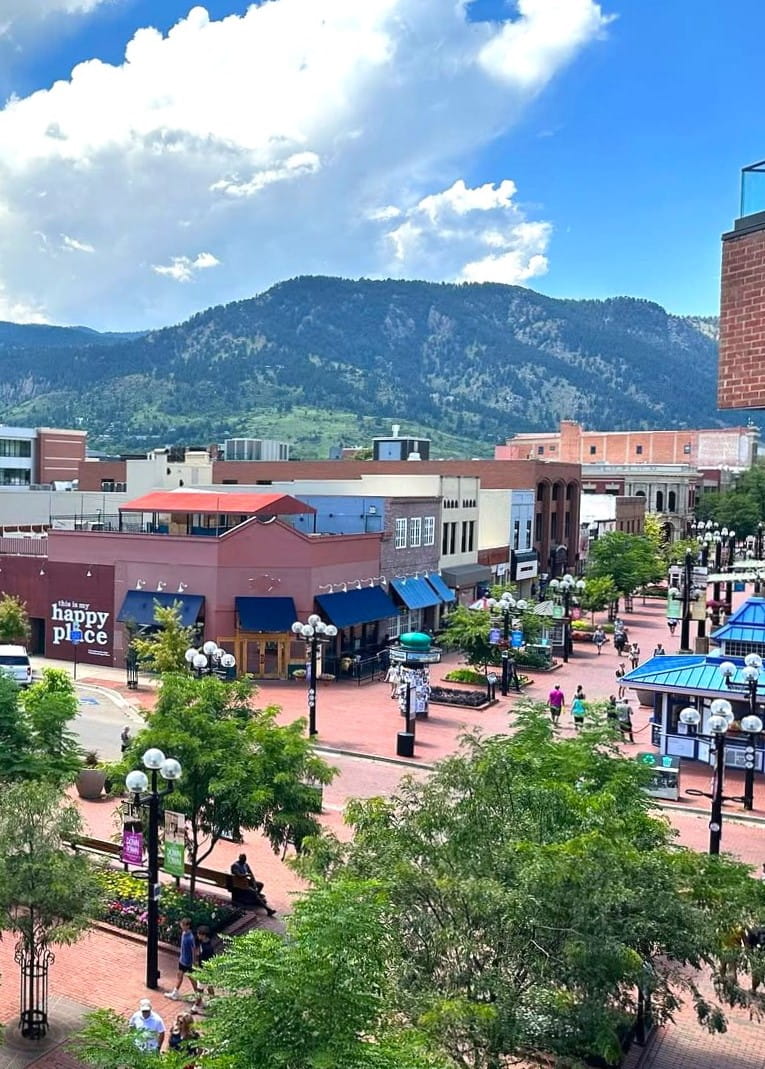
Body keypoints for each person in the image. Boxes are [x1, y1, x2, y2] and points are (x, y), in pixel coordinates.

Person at [167, 917, 199, 1001]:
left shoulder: (190, 937)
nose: (182, 926)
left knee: (192, 979)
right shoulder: (183, 933)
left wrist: (194, 961)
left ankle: (198, 996)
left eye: (183, 925)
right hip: (182, 960)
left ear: (188, 926)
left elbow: (194, 950)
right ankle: (175, 993)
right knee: (179, 976)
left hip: (188, 962)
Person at [193, 925, 216, 1013]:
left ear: (203, 935)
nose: (198, 936)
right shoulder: (204, 944)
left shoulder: (207, 948)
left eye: (199, 934)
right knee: (209, 987)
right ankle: (213, 1002)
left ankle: (195, 1007)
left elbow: (208, 960)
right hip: (206, 970)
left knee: (200, 989)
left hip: (205, 971)